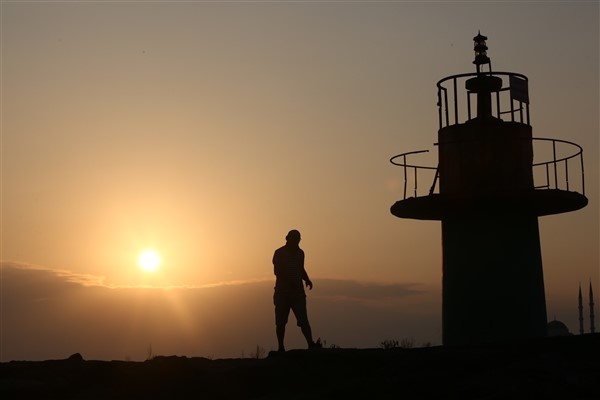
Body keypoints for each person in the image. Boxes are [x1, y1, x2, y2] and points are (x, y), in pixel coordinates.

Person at [273, 229, 320, 352]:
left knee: (303, 319)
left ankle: (310, 343)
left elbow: (301, 268)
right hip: (282, 293)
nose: (297, 241)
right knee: (281, 322)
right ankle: (281, 347)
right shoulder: (279, 253)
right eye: (295, 238)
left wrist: (307, 279)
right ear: (287, 239)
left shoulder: (301, 253)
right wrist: (289, 283)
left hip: (298, 293)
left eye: (298, 239)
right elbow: (278, 272)